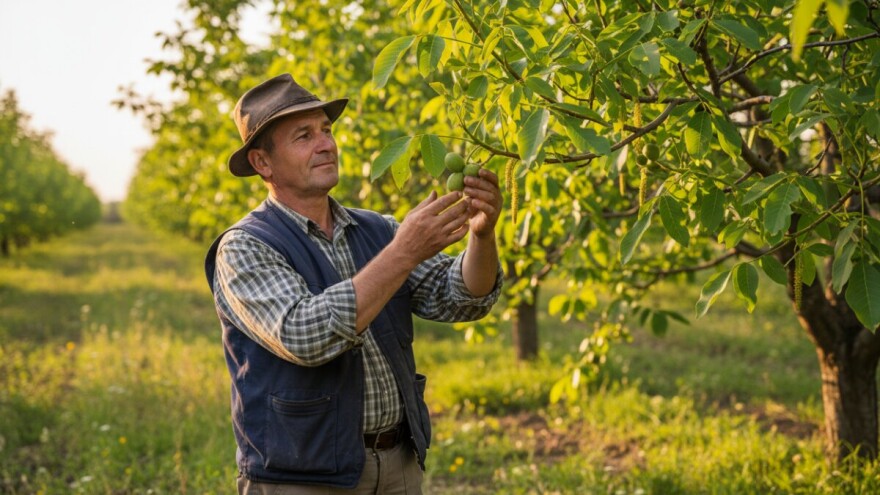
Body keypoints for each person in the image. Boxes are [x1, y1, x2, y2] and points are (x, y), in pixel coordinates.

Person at [204, 73, 503, 494]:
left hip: (397, 462)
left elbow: (462, 298)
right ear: (262, 163)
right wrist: (403, 253)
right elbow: (304, 335)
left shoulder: (376, 229)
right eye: (303, 136)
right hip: (302, 478)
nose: (326, 144)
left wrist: (482, 234)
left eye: (326, 130)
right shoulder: (244, 248)